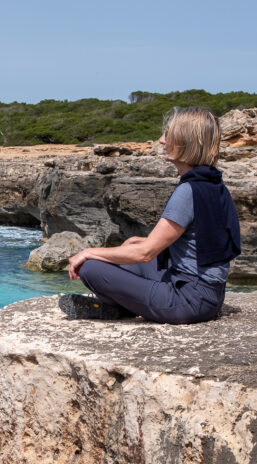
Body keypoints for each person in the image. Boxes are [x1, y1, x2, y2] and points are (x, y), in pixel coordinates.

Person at [64, 106, 241, 324]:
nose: (161, 140)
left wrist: (88, 252)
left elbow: (145, 253)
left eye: (167, 134)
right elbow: (197, 239)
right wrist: (140, 243)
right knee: (128, 248)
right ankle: (118, 307)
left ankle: (115, 307)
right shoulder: (211, 181)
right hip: (207, 293)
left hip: (188, 300)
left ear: (185, 141)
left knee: (90, 267)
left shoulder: (188, 190)